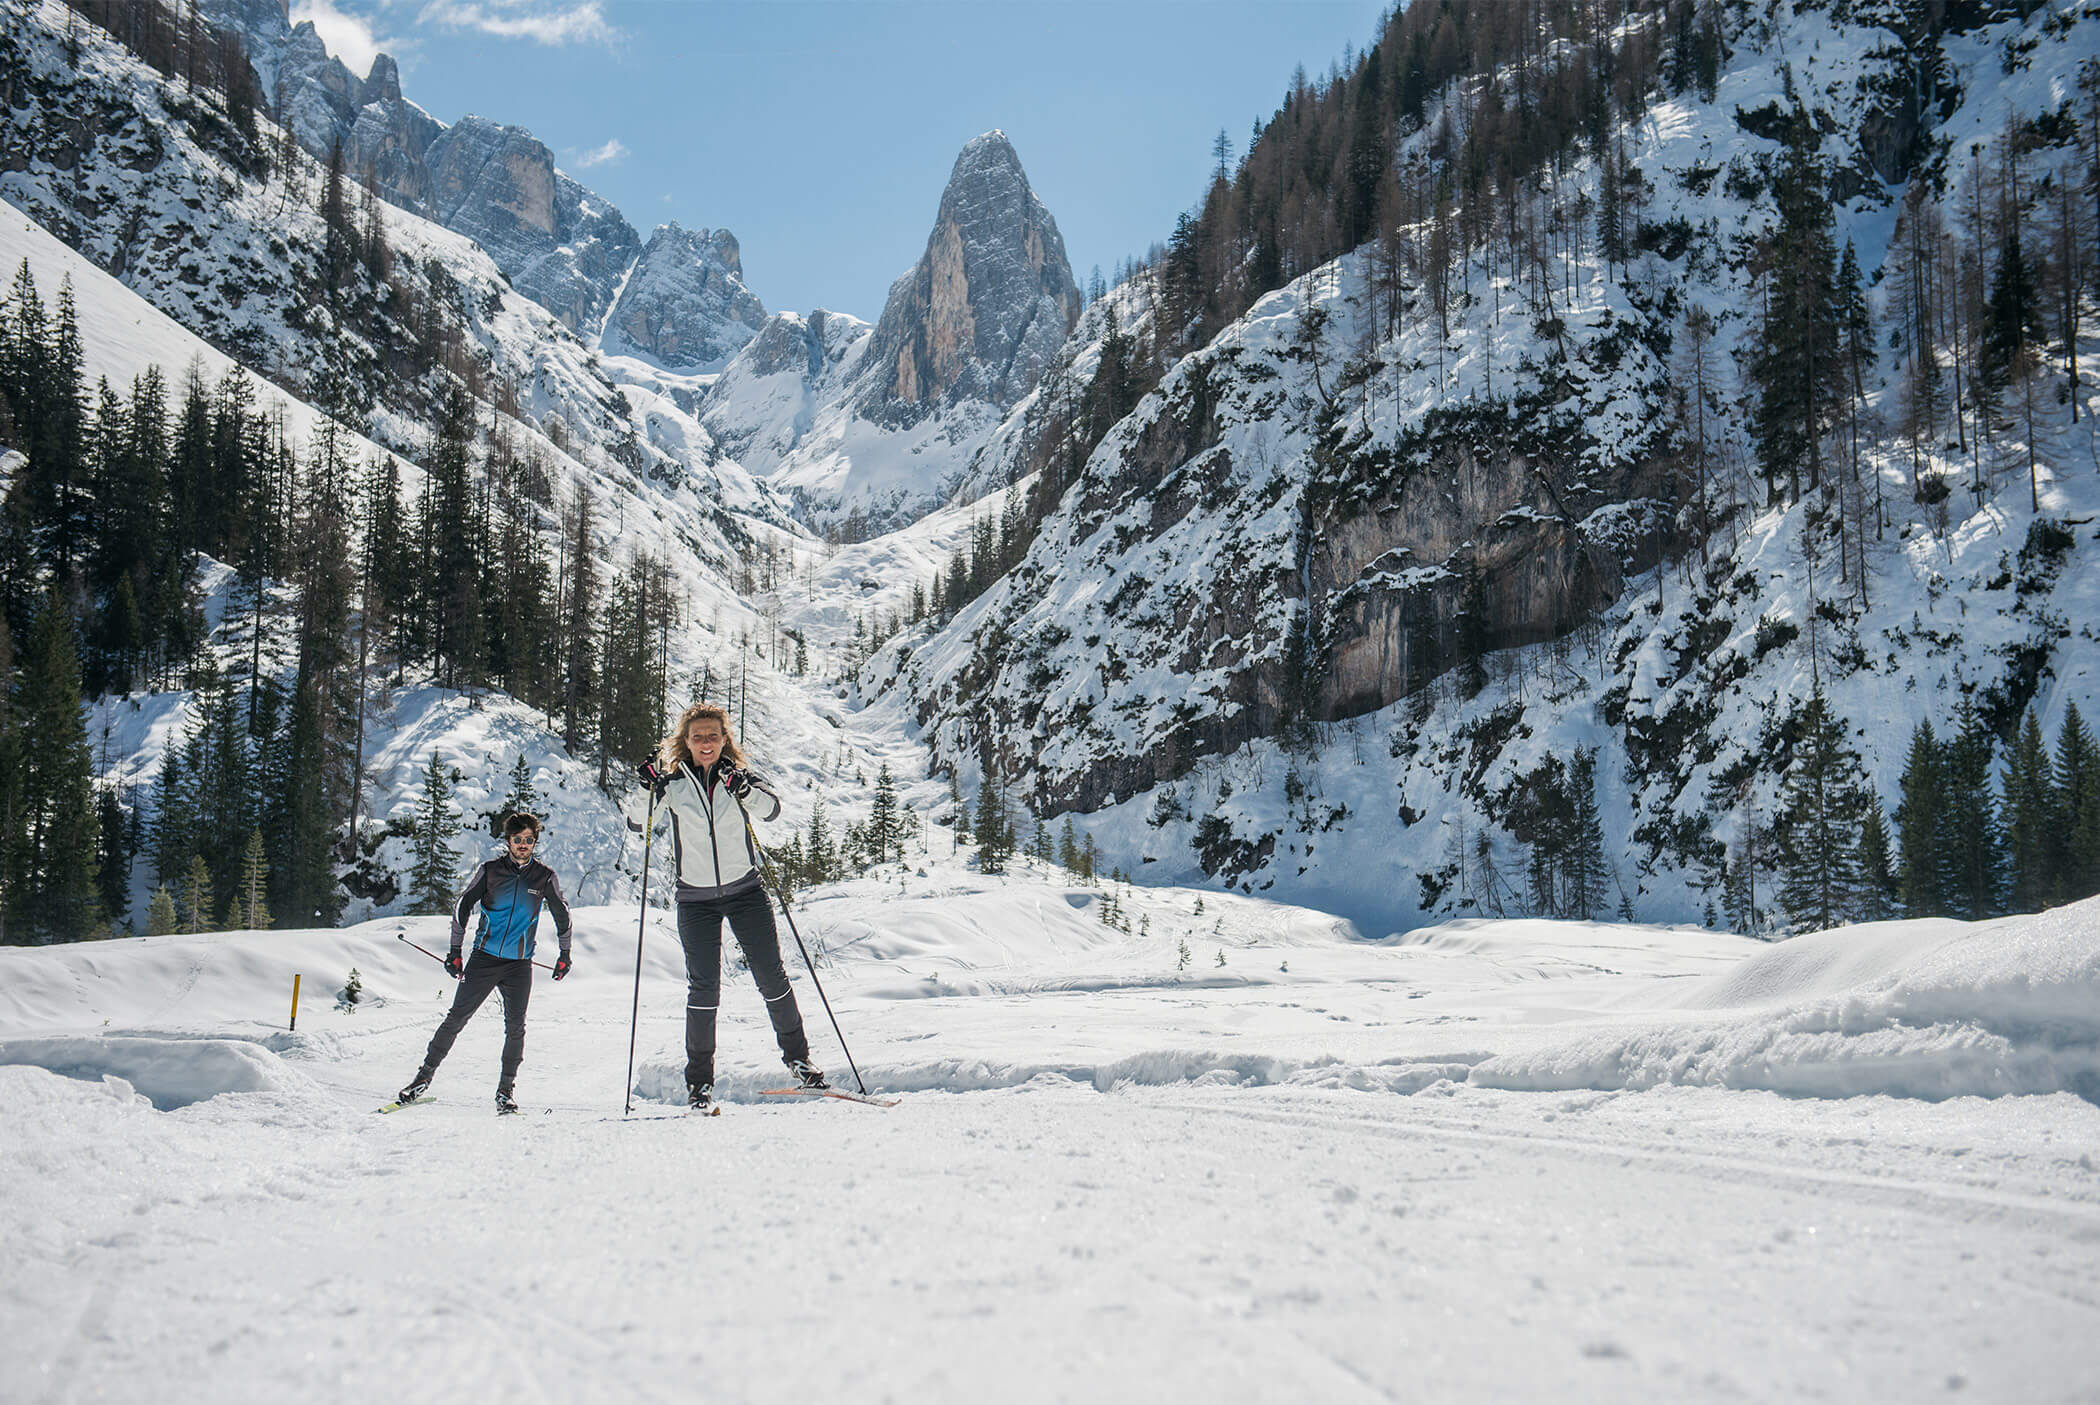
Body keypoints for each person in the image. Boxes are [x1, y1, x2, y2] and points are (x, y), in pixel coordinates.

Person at [631, 702, 826, 1111]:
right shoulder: (672, 785)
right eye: (698, 736)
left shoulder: (738, 778)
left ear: (725, 740)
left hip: (745, 893)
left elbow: (771, 810)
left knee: (771, 978)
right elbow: (637, 821)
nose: (706, 743)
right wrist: (646, 787)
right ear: (686, 741)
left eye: (713, 736)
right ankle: (699, 1084)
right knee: (704, 990)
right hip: (695, 900)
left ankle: (800, 1061)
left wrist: (744, 790)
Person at [396, 812, 573, 1114]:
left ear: (535, 843)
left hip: (519, 965)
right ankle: (422, 1078)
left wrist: (564, 955)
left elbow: (562, 916)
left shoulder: (543, 877)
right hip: (484, 959)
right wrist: (455, 951)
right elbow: (462, 906)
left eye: (529, 840)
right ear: (508, 842)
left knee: (515, 1028)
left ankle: (505, 1091)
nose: (523, 845)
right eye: (517, 840)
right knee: (456, 1019)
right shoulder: (490, 871)